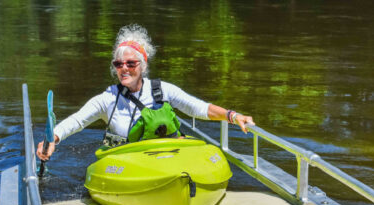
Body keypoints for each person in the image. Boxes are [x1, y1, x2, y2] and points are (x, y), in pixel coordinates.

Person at [36, 24, 254, 161]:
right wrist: (53, 138)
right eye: (118, 63)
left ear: (143, 64)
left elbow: (198, 107)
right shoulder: (107, 99)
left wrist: (232, 116)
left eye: (131, 63)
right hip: (128, 162)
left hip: (167, 158)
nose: (124, 68)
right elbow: (77, 120)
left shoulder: (162, 90)